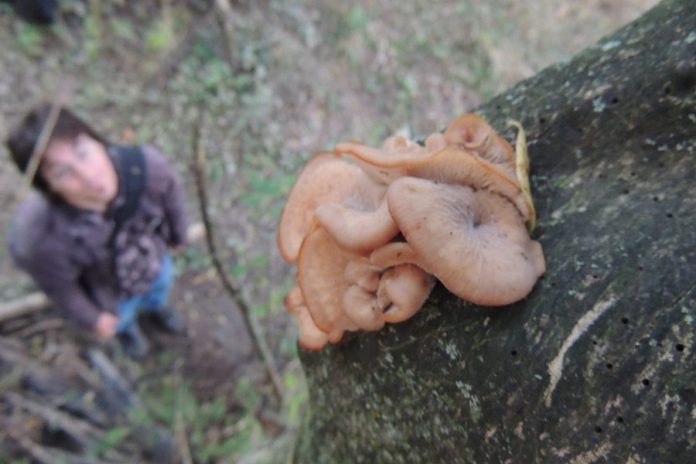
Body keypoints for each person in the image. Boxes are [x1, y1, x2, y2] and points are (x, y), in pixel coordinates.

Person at [5, 103, 188, 358]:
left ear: (97, 140)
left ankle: (158, 310)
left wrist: (179, 234)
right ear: (48, 187)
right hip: (110, 295)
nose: (89, 176)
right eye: (63, 172)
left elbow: (173, 199)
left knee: (159, 291)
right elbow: (60, 287)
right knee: (121, 319)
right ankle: (129, 332)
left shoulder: (148, 168)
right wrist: (92, 318)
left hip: (153, 263)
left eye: (83, 152)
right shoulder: (45, 239)